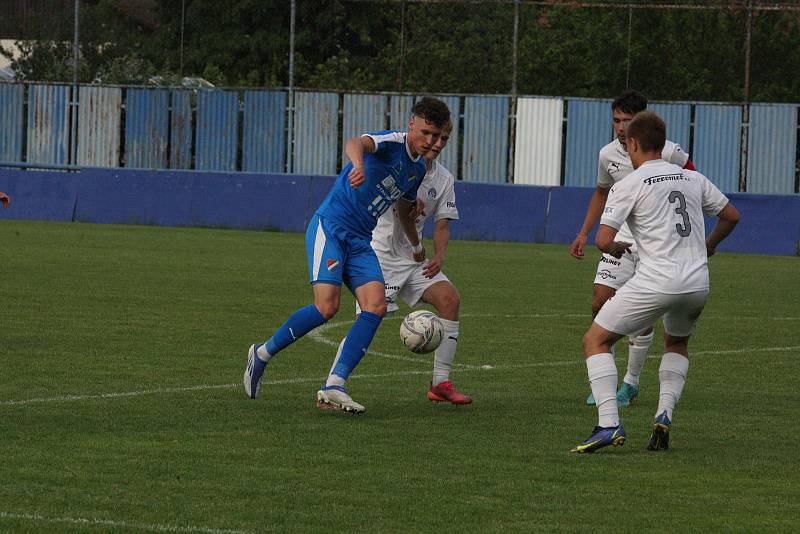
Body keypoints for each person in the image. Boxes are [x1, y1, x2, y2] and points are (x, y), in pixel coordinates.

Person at [243, 97, 451, 414]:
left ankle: (334, 385)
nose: (431, 142)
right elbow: (356, 142)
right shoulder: (392, 142)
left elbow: (405, 209)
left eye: (437, 137)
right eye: (426, 133)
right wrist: (357, 164)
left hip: (359, 241)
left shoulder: (416, 170)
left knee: (376, 307)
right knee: (327, 307)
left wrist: (417, 246)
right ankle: (261, 354)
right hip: (331, 227)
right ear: (412, 125)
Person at [571, 111, 739, 453]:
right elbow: (731, 215)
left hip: (657, 280)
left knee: (595, 340)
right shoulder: (692, 178)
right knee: (676, 344)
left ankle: (608, 424)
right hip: (696, 282)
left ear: (632, 144)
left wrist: (616, 246)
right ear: (662, 145)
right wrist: (709, 246)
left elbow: (603, 241)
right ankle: (664, 413)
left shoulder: (629, 183)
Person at [569, 90, 696, 408]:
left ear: (641, 121)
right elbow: (601, 193)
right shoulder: (607, 154)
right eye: (616, 120)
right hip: (619, 237)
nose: (621, 127)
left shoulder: (667, 152)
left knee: (641, 313)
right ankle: (606, 376)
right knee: (600, 300)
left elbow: (692, 181)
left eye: (627, 120)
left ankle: (630, 383)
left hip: (656, 241)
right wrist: (584, 232)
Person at [339, 119, 472, 405]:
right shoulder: (400, 163)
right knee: (367, 320)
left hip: (415, 259)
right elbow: (397, 207)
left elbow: (442, 224)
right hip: (382, 254)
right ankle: (335, 383)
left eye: (443, 139)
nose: (437, 144)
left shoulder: (444, 179)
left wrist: (439, 257)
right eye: (433, 136)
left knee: (450, 299)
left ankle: (440, 384)